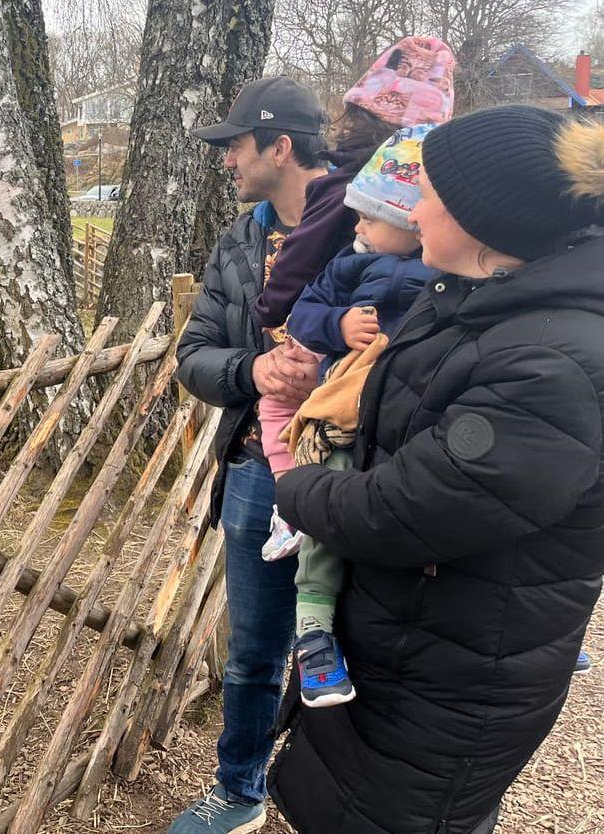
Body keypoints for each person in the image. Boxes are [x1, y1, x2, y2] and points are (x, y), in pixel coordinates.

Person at [269, 105, 604, 834]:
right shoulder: (477, 299)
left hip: (449, 673)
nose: (413, 210)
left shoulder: (545, 362)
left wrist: (296, 487)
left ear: (483, 223)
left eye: (430, 196)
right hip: (410, 640)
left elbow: (410, 509)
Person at [168, 75, 328, 834]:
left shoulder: (375, 226)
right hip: (256, 471)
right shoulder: (237, 240)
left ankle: (331, 795)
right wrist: (252, 371)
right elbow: (192, 352)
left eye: (234, 145)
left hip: (353, 475)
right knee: (254, 649)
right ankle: (239, 791)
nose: (226, 162)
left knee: (347, 642)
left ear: (279, 145)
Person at [259, 36, 457, 560]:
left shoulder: (345, 189)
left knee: (302, 426)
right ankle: (296, 507)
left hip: (355, 374)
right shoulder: (444, 218)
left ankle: (291, 503)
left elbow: (295, 271)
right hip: (386, 381)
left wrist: (271, 312)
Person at [267, 124, 441, 708]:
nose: (357, 228)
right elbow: (303, 310)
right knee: (331, 503)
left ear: (414, 220)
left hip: (413, 409)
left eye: (369, 217)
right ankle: (313, 633)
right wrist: (338, 326)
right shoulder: (351, 264)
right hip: (347, 405)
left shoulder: (448, 274)